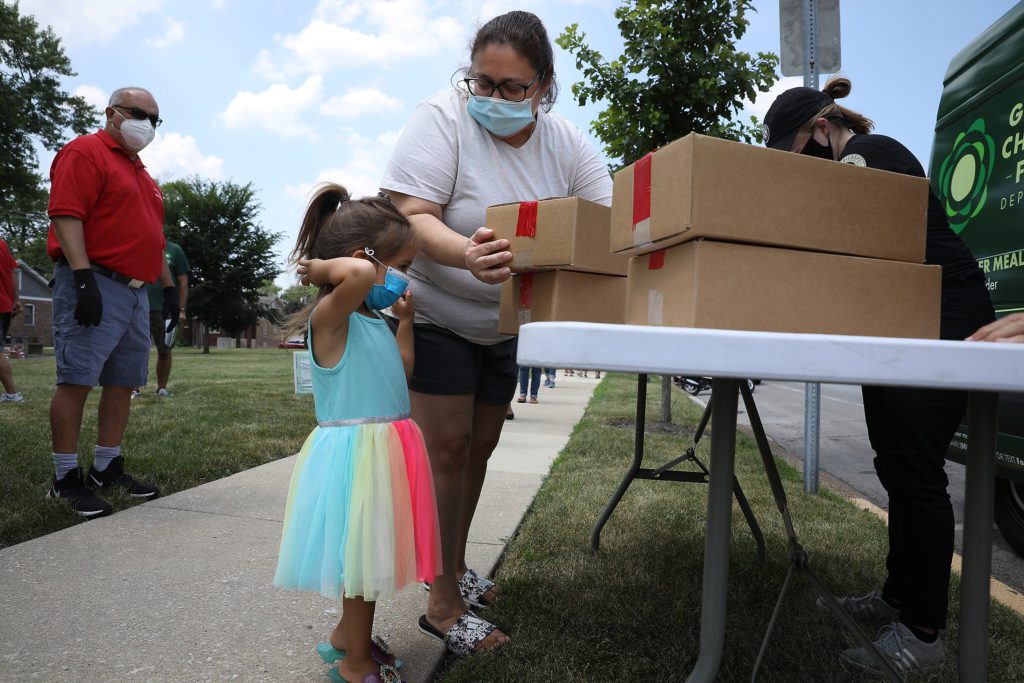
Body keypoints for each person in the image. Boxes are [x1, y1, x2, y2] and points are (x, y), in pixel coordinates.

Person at [380, 10, 612, 653]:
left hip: (508, 324)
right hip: (437, 312)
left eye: (512, 87)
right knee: (447, 450)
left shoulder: (566, 142)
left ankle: (451, 567)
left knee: (479, 447)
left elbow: (606, 222)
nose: (493, 98)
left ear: (543, 85)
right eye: (481, 82)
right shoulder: (442, 119)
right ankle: (443, 605)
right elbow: (412, 216)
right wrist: (465, 255)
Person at [763, 77, 995, 673]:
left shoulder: (869, 153)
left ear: (821, 129)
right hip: (898, 321)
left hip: (943, 314)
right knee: (894, 462)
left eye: (797, 156)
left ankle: (922, 634)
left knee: (916, 471)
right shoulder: (856, 161)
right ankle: (896, 596)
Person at [273, 184, 440, 683]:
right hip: (357, 458)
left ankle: (348, 639)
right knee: (362, 565)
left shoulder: (372, 320)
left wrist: (405, 325)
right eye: (398, 265)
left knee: (370, 559)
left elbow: (401, 375)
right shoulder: (330, 319)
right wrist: (324, 269)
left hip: (386, 450)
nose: (401, 278)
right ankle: (355, 666)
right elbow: (362, 273)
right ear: (358, 261)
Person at [44, 87, 178, 518]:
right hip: (96, 280)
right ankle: (65, 477)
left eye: (155, 119)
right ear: (112, 113)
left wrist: (169, 290)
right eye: (140, 113)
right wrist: (82, 277)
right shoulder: (86, 152)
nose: (148, 124)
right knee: (77, 379)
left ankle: (106, 466)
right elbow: (66, 213)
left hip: (138, 291)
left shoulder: (143, 175)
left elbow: (153, 240)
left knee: (123, 382)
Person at [135, 240, 190, 398]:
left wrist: (181, 310)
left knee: (165, 349)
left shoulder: (175, 250)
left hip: (164, 310)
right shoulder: (138, 244)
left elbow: (183, 282)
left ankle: (161, 388)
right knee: (135, 348)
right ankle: (134, 389)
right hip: (138, 306)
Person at [0, 238, 24, 403]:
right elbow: (11, 273)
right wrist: (15, 299)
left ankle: (12, 395)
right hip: (5, 305)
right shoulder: (1, 244)